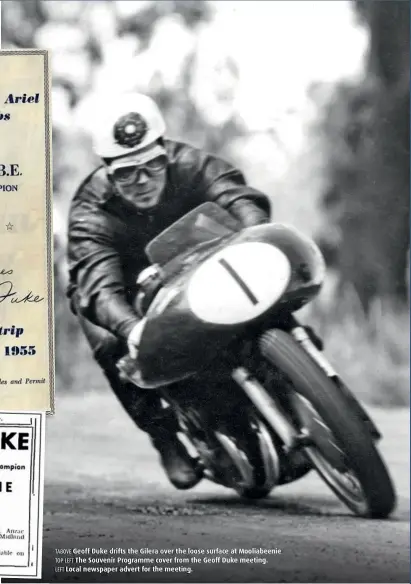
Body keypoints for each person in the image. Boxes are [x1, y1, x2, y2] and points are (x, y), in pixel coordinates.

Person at [66, 92, 271, 491]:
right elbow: (97, 284)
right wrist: (130, 327)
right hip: (122, 290)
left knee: (262, 289)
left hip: (192, 262)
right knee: (111, 344)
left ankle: (308, 382)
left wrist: (254, 235)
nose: (142, 181)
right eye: (126, 173)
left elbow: (237, 196)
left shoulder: (192, 164)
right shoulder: (90, 211)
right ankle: (164, 438)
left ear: (165, 153)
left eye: (152, 165)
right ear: (108, 171)